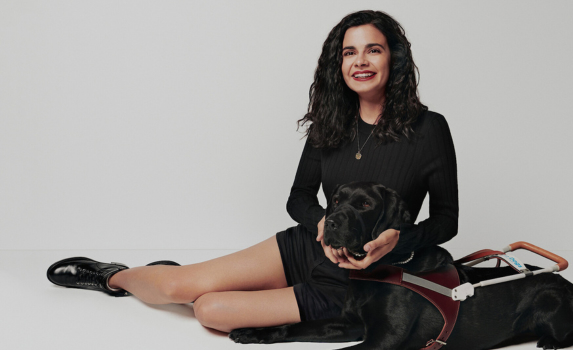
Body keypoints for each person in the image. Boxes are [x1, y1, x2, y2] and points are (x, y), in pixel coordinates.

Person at [46, 10, 458, 334]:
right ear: (339, 63)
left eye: (373, 50)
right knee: (175, 288)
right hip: (310, 246)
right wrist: (321, 223)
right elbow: (298, 198)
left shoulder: (429, 129)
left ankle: (191, 282)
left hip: (364, 280)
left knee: (209, 309)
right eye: (349, 52)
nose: (360, 62)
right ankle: (112, 277)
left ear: (394, 58)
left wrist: (396, 239)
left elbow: (446, 220)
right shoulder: (330, 123)